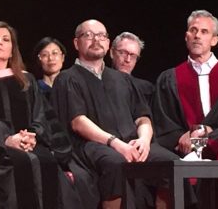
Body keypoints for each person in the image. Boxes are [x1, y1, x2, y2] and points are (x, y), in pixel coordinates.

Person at [51, 19, 180, 209]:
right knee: (116, 163)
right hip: (93, 145)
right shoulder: (68, 78)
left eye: (102, 35)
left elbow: (143, 117)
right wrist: (115, 143)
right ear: (76, 43)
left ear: (108, 43)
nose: (96, 39)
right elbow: (78, 121)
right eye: (88, 35)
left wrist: (144, 140)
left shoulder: (121, 79)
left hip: (132, 142)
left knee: (171, 164)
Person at [0, 21, 99, 209]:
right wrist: (7, 139)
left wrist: (31, 135)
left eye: (5, 39)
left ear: (12, 50)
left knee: (46, 162)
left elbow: (40, 115)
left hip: (30, 145)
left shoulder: (26, 80)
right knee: (18, 165)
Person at [153, 10, 218, 200]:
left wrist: (204, 129)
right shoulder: (169, 78)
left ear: (214, 40)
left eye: (204, 32)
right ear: (186, 37)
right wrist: (186, 137)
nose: (197, 35)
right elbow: (163, 122)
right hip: (185, 148)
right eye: (193, 30)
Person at [110, 32, 155, 105]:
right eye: (123, 53)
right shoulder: (97, 83)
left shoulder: (147, 89)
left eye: (133, 56)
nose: (128, 60)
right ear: (112, 53)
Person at [33, 37, 66, 101]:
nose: (50, 58)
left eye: (55, 53)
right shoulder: (34, 89)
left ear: (62, 57)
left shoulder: (71, 86)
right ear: (39, 60)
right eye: (45, 55)